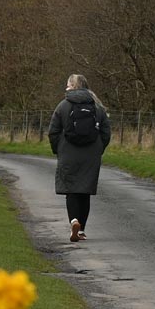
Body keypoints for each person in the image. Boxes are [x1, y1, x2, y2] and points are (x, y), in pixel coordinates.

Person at [47, 73, 111, 242]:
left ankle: (73, 221)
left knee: (71, 190)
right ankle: (81, 230)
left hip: (68, 153)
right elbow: (106, 132)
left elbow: (53, 131)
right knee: (85, 191)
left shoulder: (63, 106)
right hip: (91, 155)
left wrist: (58, 149)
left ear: (73, 87)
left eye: (68, 84)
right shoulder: (97, 107)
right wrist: (98, 148)